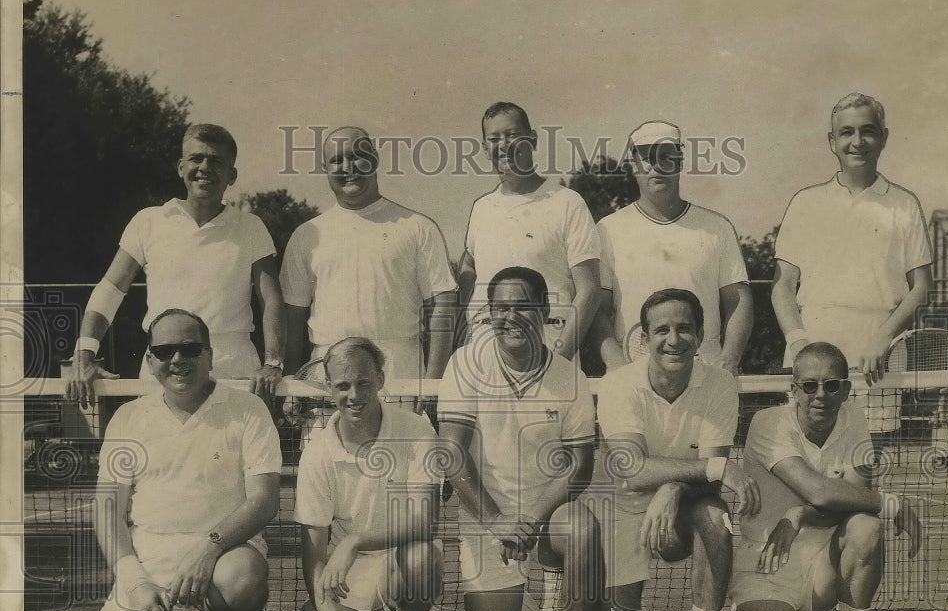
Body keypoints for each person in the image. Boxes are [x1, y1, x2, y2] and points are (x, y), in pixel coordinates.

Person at [90, 309, 280, 611]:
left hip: (226, 555)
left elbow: (264, 501)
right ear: (150, 361)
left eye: (190, 349)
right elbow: (107, 508)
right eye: (165, 351)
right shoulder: (128, 418)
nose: (178, 360)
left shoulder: (247, 409)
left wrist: (208, 549)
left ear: (210, 356)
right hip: (153, 564)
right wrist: (134, 581)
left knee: (242, 579)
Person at [437, 266, 605, 611]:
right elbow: (452, 453)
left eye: (523, 306)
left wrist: (529, 518)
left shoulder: (570, 377)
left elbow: (579, 465)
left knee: (583, 525)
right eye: (500, 308)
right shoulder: (465, 364)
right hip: (486, 517)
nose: (510, 317)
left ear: (545, 310)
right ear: (489, 314)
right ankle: (530, 610)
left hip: (548, 513)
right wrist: (497, 521)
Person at [732, 342, 922, 611]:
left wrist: (799, 514)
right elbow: (820, 490)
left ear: (846, 389)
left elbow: (853, 501)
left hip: (827, 564)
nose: (821, 394)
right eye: (809, 385)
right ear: (794, 390)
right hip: (767, 564)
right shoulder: (767, 423)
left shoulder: (854, 419)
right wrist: (892, 502)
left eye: (832, 384)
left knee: (866, 526)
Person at [596, 288, 759, 611]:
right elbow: (630, 470)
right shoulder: (619, 384)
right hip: (623, 511)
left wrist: (671, 487)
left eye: (684, 328)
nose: (674, 340)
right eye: (662, 330)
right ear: (644, 338)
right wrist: (698, 473)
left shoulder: (720, 384)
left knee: (715, 517)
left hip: (685, 507)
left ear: (701, 335)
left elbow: (711, 479)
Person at [65, 124, 286, 406]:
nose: (205, 167)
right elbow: (110, 289)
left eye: (216, 161)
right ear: (181, 167)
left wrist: (273, 363)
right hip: (162, 365)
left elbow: (271, 299)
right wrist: (84, 355)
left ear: (232, 175)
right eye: (196, 158)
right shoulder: (148, 221)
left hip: (233, 369)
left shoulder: (251, 227)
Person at [771, 92, 933, 443]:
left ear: (884, 137)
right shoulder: (805, 202)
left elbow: (921, 287)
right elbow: (783, 285)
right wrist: (799, 342)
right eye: (846, 132)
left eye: (868, 131)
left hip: (879, 359)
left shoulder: (905, 204)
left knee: (867, 468)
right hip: (814, 356)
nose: (857, 142)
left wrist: (883, 337)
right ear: (832, 141)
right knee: (808, 462)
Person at [284, 338, 443, 611]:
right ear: (328, 388)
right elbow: (313, 558)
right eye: (342, 385)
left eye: (364, 383)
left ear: (381, 380)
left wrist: (355, 540)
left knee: (423, 557)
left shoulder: (416, 429)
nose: (354, 395)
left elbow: (426, 521)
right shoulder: (318, 452)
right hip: (344, 576)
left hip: (400, 560)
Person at [279, 126, 457, 388]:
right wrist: (291, 383)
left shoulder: (418, 227)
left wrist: (433, 385)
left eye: (356, 156)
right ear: (324, 167)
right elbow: (292, 321)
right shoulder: (306, 236)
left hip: (399, 373)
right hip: (326, 376)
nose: (348, 166)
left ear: (374, 158)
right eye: (337, 160)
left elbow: (443, 306)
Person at [591, 121, 752, 374]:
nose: (657, 166)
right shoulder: (607, 229)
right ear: (634, 165)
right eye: (647, 157)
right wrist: (616, 366)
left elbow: (738, 301)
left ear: (680, 161)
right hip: (634, 373)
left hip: (704, 373)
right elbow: (597, 308)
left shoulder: (716, 227)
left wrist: (729, 360)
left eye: (666, 156)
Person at [456, 102, 601, 361]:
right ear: (485, 148)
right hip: (485, 348)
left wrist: (559, 361)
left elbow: (589, 290)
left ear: (532, 139)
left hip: (547, 341)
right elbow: (469, 267)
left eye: (512, 134)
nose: (504, 145)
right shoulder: (481, 208)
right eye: (494, 138)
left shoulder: (567, 202)